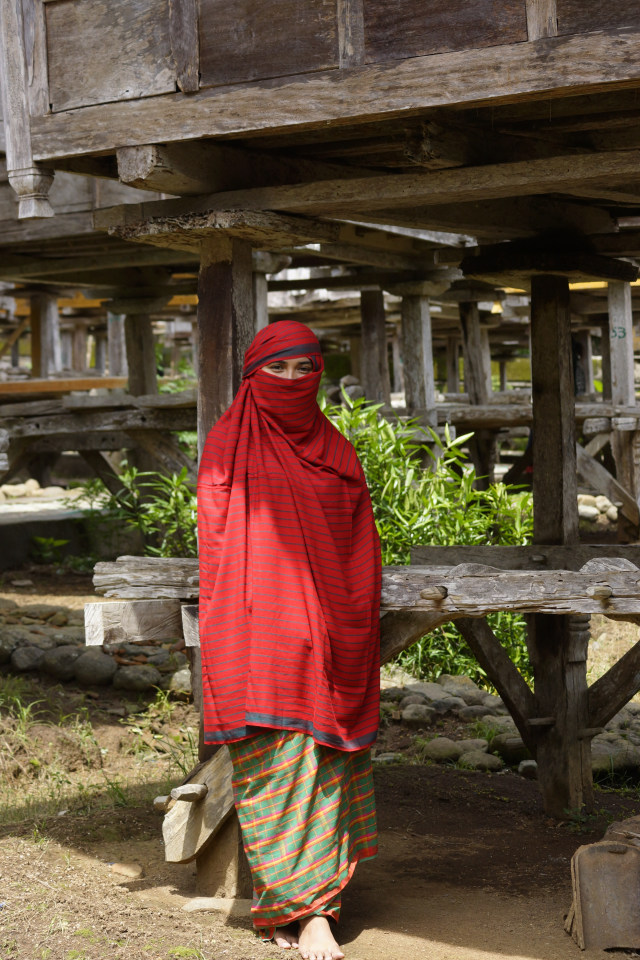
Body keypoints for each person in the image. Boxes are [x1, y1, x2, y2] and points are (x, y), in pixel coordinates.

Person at [197, 320, 381, 960]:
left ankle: (307, 911)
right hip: (263, 638)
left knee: (323, 766)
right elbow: (219, 550)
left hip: (328, 634)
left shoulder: (336, 450)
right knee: (276, 766)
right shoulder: (229, 447)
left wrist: (343, 617)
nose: (295, 382)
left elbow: (357, 544)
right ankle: (305, 917)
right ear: (254, 377)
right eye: (281, 369)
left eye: (308, 370)